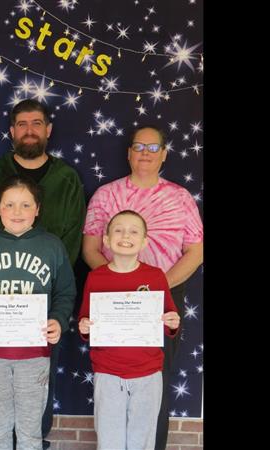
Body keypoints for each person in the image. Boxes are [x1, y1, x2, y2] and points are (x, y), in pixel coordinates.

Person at [81, 125, 203, 450]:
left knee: (153, 383)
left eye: (153, 148)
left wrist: (154, 289)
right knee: (112, 384)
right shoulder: (105, 195)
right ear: (128, 153)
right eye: (138, 147)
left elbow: (196, 251)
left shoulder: (180, 198)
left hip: (162, 299)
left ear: (164, 154)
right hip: (111, 297)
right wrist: (119, 282)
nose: (145, 154)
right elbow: (90, 249)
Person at [0, 99, 85, 448]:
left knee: (35, 394)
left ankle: (35, 441)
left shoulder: (66, 177)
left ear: (48, 130)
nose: (29, 130)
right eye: (21, 124)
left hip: (42, 306)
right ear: (12, 131)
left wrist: (48, 291)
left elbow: (72, 237)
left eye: (37, 123)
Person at [0, 175, 76, 450]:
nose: (17, 212)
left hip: (35, 354)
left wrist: (58, 320)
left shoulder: (52, 246)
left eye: (25, 205)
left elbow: (65, 292)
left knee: (30, 429)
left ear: (38, 209)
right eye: (9, 205)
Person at [78, 209, 180, 450]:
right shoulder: (96, 278)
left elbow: (169, 318)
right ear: (106, 239)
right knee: (109, 439)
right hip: (108, 372)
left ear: (144, 241)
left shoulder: (155, 277)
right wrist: (85, 326)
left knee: (142, 440)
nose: (126, 236)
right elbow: (85, 319)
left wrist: (172, 322)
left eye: (134, 231)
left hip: (148, 373)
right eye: (118, 230)